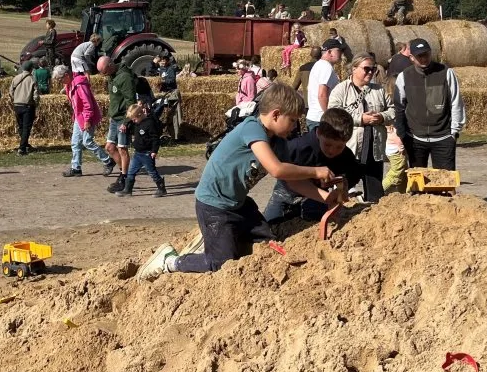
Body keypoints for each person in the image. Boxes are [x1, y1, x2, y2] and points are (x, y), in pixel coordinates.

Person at [137, 83, 339, 279]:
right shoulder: (252, 128)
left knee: (266, 244)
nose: (296, 126)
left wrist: (326, 198)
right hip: (214, 206)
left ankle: (211, 240)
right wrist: (315, 171)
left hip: (239, 205)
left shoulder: (279, 142)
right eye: (293, 120)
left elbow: (291, 181)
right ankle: (170, 261)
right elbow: (277, 170)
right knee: (220, 264)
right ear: (276, 114)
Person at [263, 108, 362, 224]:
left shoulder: (346, 155)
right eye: (328, 144)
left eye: (339, 147)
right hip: (286, 194)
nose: (332, 151)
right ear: (319, 133)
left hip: (318, 198)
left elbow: (354, 172)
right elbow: (280, 170)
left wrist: (345, 183)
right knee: (270, 226)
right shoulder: (298, 147)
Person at [329, 55, 394, 201]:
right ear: (354, 69)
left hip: (374, 150)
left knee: (376, 197)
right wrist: (360, 119)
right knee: (343, 194)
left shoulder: (379, 90)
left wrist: (382, 117)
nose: (370, 72)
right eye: (366, 69)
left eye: (373, 69)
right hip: (350, 150)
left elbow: (393, 110)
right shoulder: (340, 90)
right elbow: (333, 115)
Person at [394, 38, 465, 170]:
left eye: (426, 54)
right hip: (415, 139)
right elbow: (399, 107)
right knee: (418, 185)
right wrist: (402, 134)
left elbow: (456, 102)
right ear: (411, 57)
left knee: (444, 184)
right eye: (419, 56)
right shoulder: (404, 76)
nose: (423, 58)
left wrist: (454, 132)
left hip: (443, 137)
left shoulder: (446, 73)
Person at [57, 65, 115, 178]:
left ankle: (108, 161)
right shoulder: (69, 84)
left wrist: (87, 120)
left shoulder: (80, 85)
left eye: (60, 79)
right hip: (79, 117)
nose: (59, 82)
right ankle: (76, 168)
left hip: (87, 117)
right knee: (75, 143)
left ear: (66, 75)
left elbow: (87, 104)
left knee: (87, 141)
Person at [115, 103, 166, 198]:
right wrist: (125, 128)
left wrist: (154, 151)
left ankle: (161, 188)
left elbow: (155, 138)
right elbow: (133, 130)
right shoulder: (136, 123)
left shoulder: (149, 123)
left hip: (147, 154)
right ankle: (127, 190)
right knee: (131, 171)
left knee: (152, 172)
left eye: (134, 119)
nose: (133, 121)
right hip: (138, 153)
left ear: (140, 115)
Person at [101, 55, 135, 189]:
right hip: (114, 118)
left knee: (122, 149)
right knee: (109, 147)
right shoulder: (112, 76)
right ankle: (123, 173)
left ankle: (124, 178)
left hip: (123, 119)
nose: (103, 75)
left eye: (104, 72)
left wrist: (126, 121)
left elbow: (130, 101)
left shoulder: (125, 77)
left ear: (110, 65)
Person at [305, 39, 343, 131]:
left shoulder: (318, 65)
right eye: (339, 51)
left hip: (315, 117)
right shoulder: (326, 67)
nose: (341, 54)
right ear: (329, 52)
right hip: (321, 119)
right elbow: (322, 95)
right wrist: (329, 116)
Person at [11, 60, 40, 156]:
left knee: (21, 126)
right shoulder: (32, 79)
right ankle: (22, 148)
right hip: (28, 106)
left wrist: (15, 100)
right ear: (31, 69)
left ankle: (25, 144)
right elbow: (36, 95)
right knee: (26, 128)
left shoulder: (16, 78)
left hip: (17, 105)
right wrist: (36, 104)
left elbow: (10, 92)